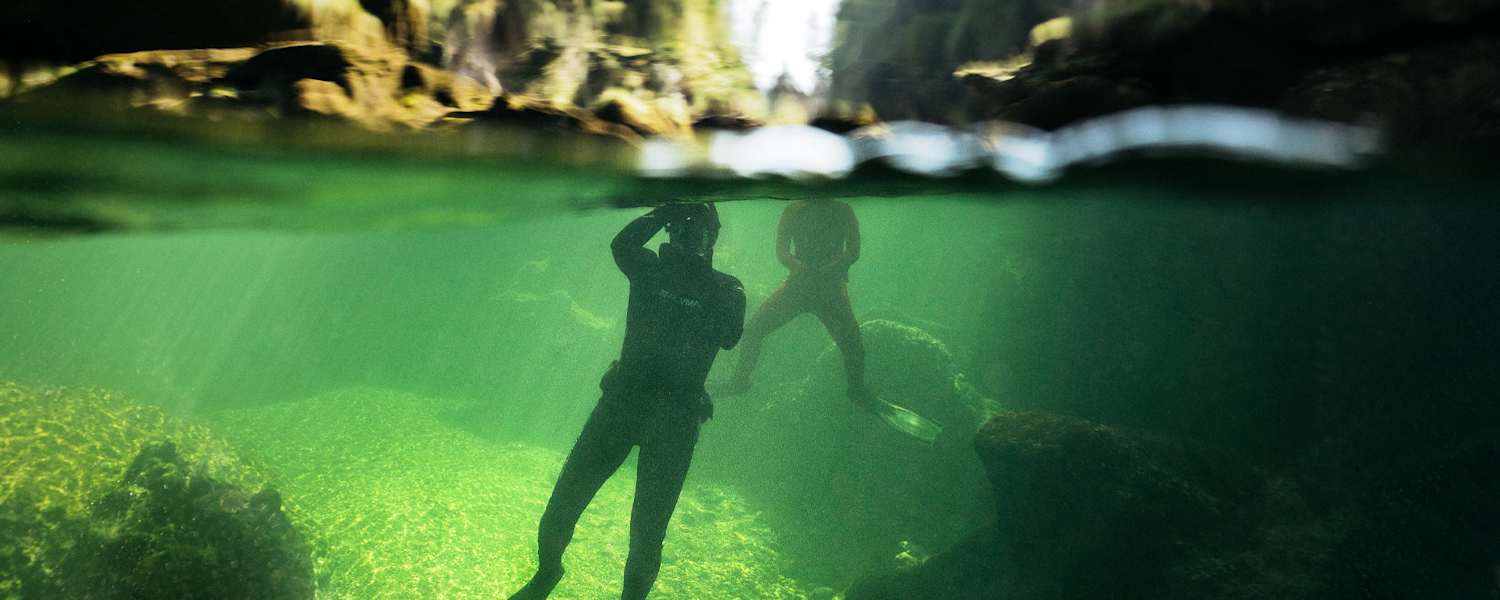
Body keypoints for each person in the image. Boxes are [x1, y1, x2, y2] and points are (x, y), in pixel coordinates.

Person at [509, 203, 745, 600]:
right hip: (622, 407)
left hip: (672, 420)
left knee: (647, 535)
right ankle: (547, 573)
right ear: (670, 231)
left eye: (700, 230)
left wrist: (675, 236)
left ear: (714, 237)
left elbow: (728, 335)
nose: (691, 237)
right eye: (683, 228)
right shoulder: (651, 270)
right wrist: (665, 211)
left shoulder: (724, 289)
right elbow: (622, 244)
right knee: (561, 508)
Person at [724, 199, 869, 405]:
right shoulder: (794, 209)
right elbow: (782, 252)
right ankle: (740, 380)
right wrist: (798, 266)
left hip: (828, 288)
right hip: (800, 285)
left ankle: (857, 390)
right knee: (754, 330)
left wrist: (831, 268)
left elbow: (853, 252)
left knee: (853, 345)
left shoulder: (842, 209)